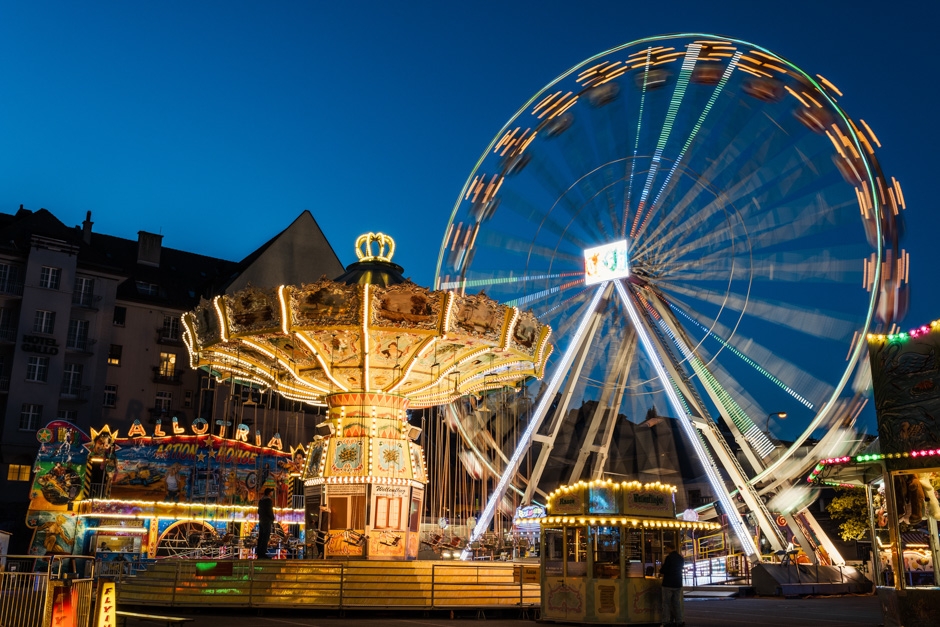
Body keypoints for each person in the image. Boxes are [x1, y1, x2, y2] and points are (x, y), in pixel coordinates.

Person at [660, 542, 684, 627]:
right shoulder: (680, 558)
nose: (666, 550)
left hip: (668, 583)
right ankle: (679, 621)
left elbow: (664, 570)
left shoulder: (669, 558)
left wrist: (661, 571)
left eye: (666, 548)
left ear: (669, 548)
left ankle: (666, 622)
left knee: (666, 603)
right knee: (676, 603)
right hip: (678, 583)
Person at [256, 487, 275, 559]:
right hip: (267, 520)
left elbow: (258, 511)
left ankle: (259, 553)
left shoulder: (261, 500)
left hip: (261, 520)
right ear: (269, 493)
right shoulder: (268, 500)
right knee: (265, 537)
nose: (272, 493)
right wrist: (272, 518)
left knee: (261, 537)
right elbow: (269, 511)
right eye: (271, 492)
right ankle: (263, 553)